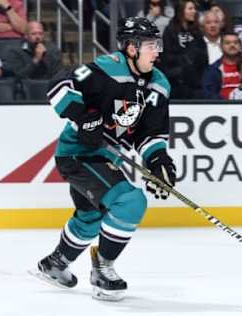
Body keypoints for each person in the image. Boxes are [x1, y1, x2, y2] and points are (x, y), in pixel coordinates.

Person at [37, 17, 175, 302]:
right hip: (77, 153)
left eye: (157, 44)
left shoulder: (160, 86)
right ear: (131, 48)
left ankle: (56, 264)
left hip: (105, 156)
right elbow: (58, 86)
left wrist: (158, 161)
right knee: (130, 200)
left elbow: (150, 135)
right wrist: (83, 117)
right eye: (150, 45)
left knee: (90, 217)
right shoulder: (108, 67)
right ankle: (103, 270)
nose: (157, 51)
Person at [161, 0, 201, 98]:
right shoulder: (170, 30)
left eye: (194, 9)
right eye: (190, 9)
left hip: (194, 82)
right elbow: (166, 55)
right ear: (181, 11)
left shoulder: (197, 31)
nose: (194, 11)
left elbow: (202, 53)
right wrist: (184, 60)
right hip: (175, 80)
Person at [202, 31, 242, 99]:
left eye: (235, 43)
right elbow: (208, 93)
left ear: (240, 46)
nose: (232, 45)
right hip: (221, 107)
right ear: (221, 47)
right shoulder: (212, 69)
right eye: (227, 43)